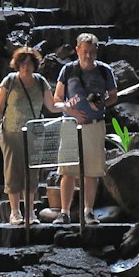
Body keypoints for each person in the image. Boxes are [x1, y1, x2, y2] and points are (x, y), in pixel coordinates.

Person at [49, 34, 115, 222]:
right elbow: (57, 99)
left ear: (96, 52)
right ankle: (64, 212)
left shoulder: (104, 71)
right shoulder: (68, 70)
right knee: (67, 170)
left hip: (94, 125)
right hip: (70, 125)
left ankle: (88, 211)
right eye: (85, 51)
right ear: (77, 50)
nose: (88, 55)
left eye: (92, 52)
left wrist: (102, 105)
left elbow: (113, 96)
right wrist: (70, 110)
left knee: (92, 171)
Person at [0, 47, 50, 224]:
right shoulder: (9, 81)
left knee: (32, 172)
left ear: (34, 65)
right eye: (23, 64)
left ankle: (30, 212)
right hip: (11, 132)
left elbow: (51, 105)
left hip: (34, 132)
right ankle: (15, 212)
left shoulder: (41, 82)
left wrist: (68, 107)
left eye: (30, 63)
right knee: (12, 171)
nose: (26, 67)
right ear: (17, 65)